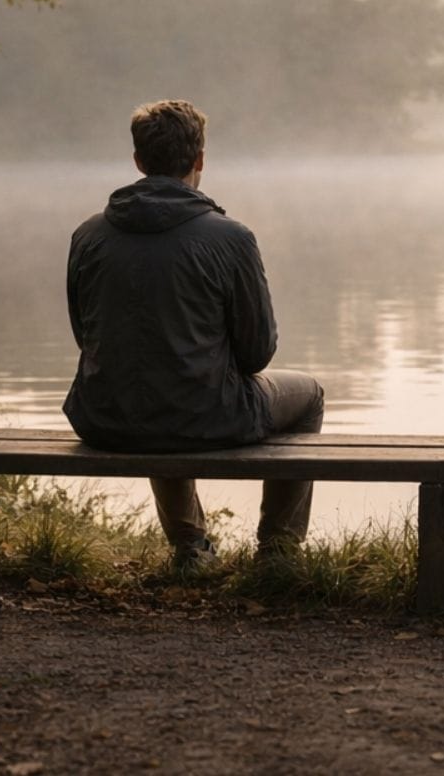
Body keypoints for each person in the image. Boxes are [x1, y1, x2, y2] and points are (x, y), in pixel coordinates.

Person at [62, 99, 324, 569]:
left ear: (139, 162)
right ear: (199, 160)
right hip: (205, 416)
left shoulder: (88, 235)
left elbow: (85, 336)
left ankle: (190, 549)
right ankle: (278, 552)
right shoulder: (231, 239)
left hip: (104, 414)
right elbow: (257, 352)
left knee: (158, 382)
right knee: (309, 395)